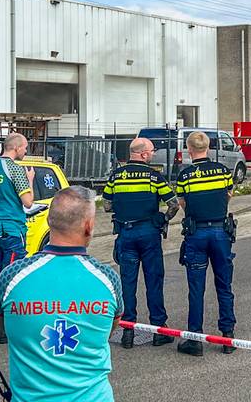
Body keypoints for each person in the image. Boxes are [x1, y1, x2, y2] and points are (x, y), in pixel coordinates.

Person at [0, 186, 121, 402]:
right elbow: (109, 329)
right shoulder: (108, 278)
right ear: (88, 226)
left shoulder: (14, 275)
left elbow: (0, 321)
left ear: (50, 221)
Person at [102, 137, 177, 349]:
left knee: (127, 282)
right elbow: (173, 205)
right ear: (143, 154)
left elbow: (107, 205)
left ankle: (128, 331)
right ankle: (159, 328)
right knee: (154, 280)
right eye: (151, 151)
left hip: (125, 233)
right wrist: (162, 219)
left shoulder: (116, 176)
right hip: (149, 233)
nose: (153, 154)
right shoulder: (154, 176)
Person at [173, 131, 237, 356]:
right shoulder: (222, 171)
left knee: (196, 288)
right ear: (208, 148)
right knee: (224, 285)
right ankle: (228, 336)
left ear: (189, 150)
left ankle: (195, 339)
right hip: (221, 232)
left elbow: (182, 202)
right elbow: (229, 195)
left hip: (197, 233)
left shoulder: (185, 176)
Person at [0, 132, 36, 343]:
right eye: (25, 147)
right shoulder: (16, 170)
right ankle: (6, 329)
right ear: (17, 147)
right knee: (11, 276)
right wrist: (29, 181)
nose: (26, 151)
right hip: (12, 229)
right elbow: (28, 203)